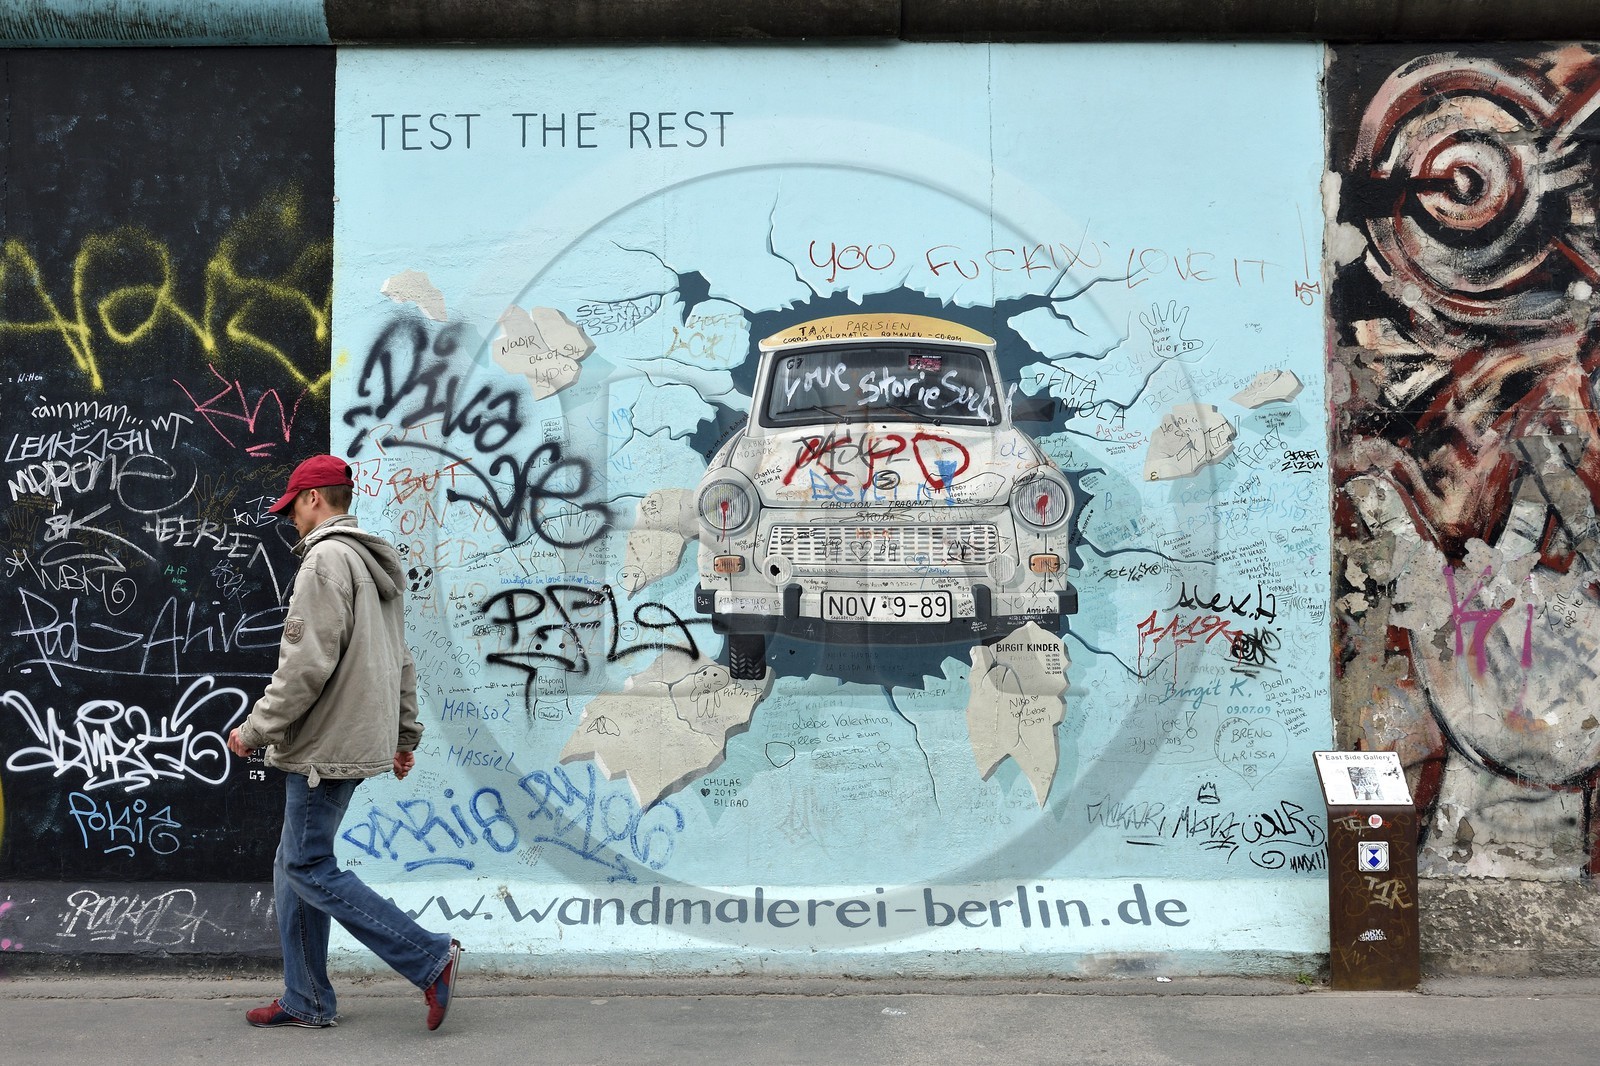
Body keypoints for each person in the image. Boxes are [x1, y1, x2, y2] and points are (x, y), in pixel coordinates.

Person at [227, 454, 461, 1030]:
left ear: (313, 500)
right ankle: (305, 997)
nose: (291, 522)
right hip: (355, 737)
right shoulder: (371, 562)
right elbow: (401, 661)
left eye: (293, 508)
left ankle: (429, 957)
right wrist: (404, 734)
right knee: (293, 867)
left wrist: (257, 729)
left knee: (307, 866)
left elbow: (304, 665)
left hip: (324, 746)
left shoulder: (325, 562)